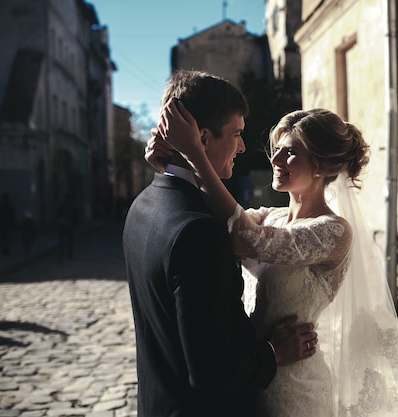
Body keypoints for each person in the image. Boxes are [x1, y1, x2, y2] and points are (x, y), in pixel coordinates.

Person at [147, 98, 398, 416]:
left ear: (320, 165)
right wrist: (171, 168)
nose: (275, 159)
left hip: (296, 387)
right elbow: (222, 222)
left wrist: (196, 155)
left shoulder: (334, 230)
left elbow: (247, 238)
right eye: (277, 149)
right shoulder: (271, 217)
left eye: (290, 152)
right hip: (253, 372)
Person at [123, 70, 317, 417]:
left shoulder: (142, 205)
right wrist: (275, 352)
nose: (243, 147)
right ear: (201, 138)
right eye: (237, 133)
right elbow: (213, 373)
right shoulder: (199, 230)